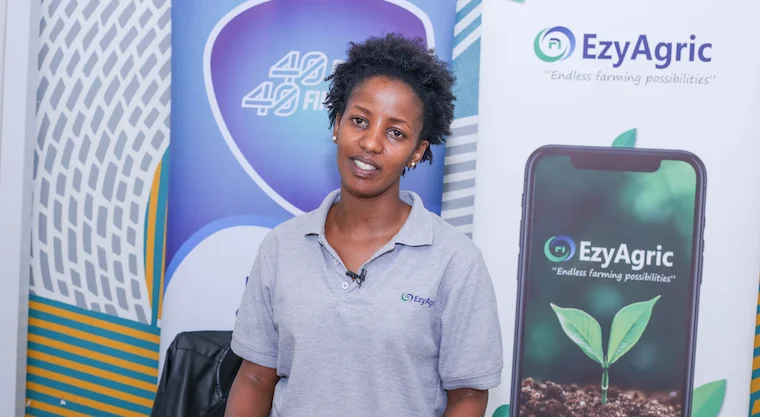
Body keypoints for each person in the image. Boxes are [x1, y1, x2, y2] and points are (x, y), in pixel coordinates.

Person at [225, 33, 503, 417]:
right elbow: (255, 378)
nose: (371, 143)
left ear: (417, 152)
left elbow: (468, 397)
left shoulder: (456, 261)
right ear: (337, 124)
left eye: (396, 132)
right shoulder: (282, 245)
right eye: (359, 120)